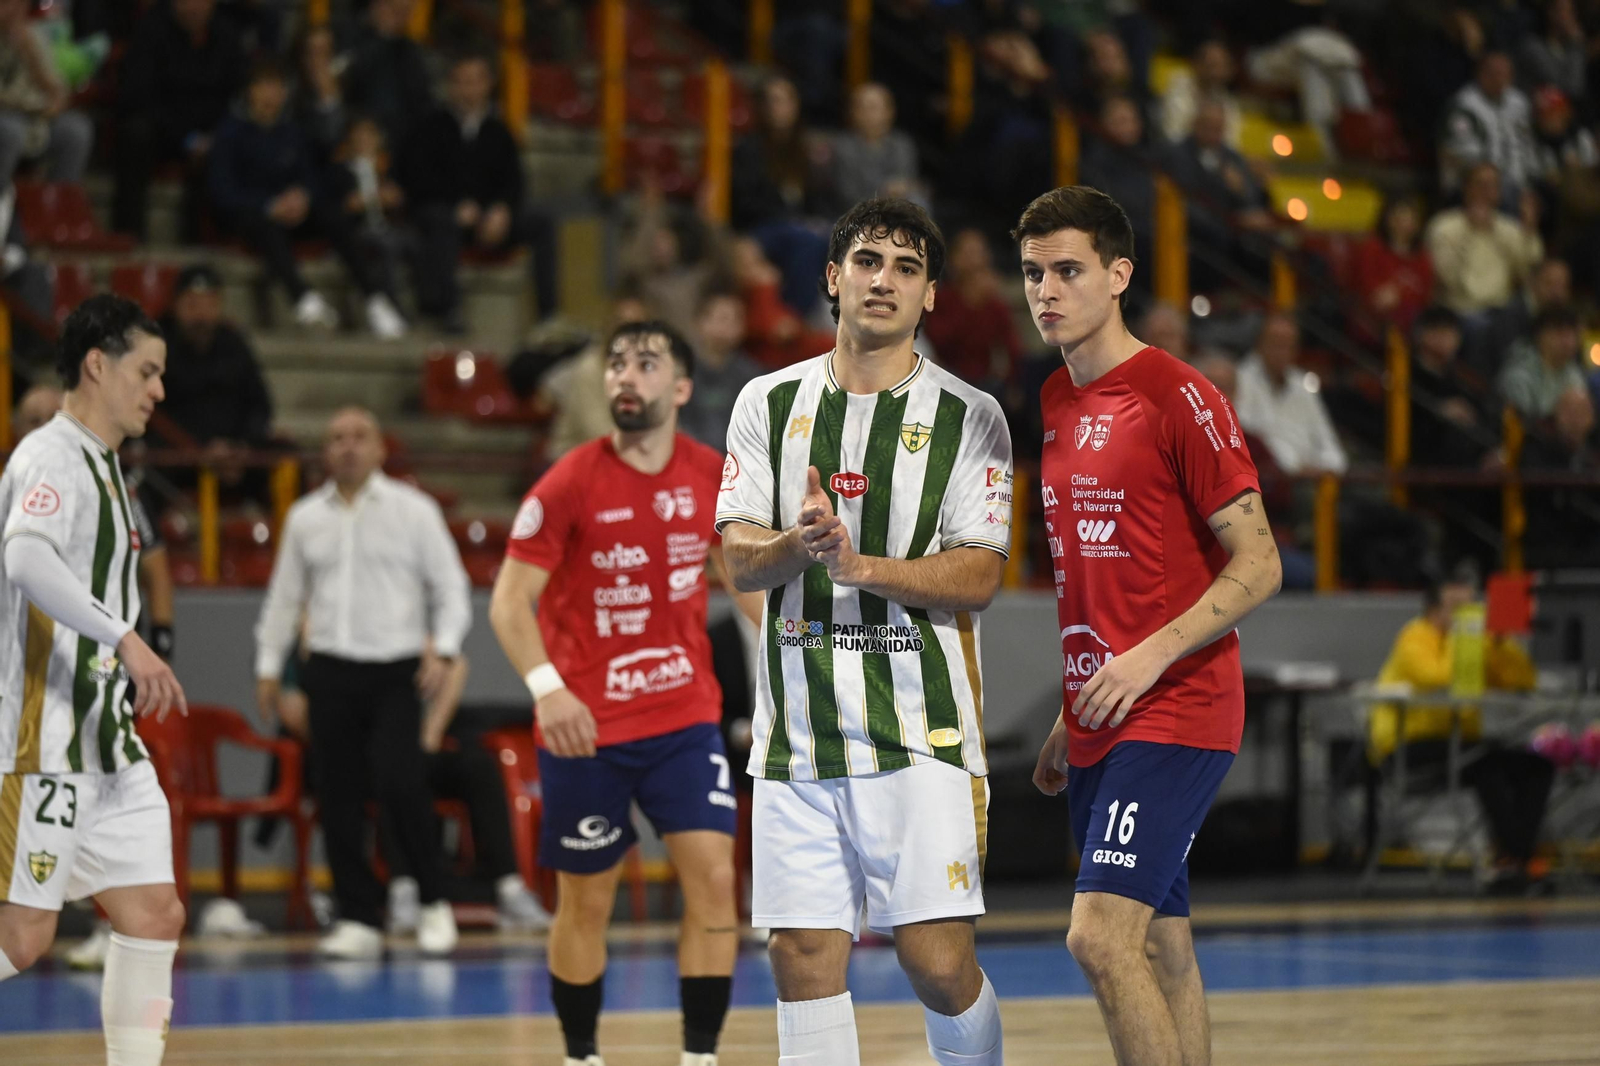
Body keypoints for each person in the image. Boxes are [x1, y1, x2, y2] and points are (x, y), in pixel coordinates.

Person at [717, 197, 1012, 1066]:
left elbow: (981, 575)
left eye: (907, 267)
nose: (883, 279)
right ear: (832, 279)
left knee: (935, 958)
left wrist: (858, 566)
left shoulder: (972, 416)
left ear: (928, 299)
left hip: (923, 733)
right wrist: (794, 546)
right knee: (800, 955)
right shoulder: (766, 402)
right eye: (868, 261)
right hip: (796, 737)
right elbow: (738, 561)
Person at [1016, 184, 1281, 1066]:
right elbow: (1103, 583)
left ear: (1119, 273)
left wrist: (1143, 662)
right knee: (1164, 946)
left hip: (1178, 707)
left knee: (1097, 937)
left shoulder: (1178, 394)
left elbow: (1261, 562)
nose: (1045, 290)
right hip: (1105, 714)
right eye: (1031, 273)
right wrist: (1075, 707)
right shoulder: (1055, 399)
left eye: (1066, 270)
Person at [490, 320, 762, 1066]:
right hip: (587, 729)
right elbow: (509, 603)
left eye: (645, 364)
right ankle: (582, 1055)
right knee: (586, 900)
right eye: (615, 364)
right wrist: (549, 691)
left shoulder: (713, 473)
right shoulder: (569, 480)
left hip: (683, 719)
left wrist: (789, 661)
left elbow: (742, 580)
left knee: (714, 879)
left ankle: (699, 1057)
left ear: (679, 388)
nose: (624, 377)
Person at [0, 295, 188, 1066]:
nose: (159, 390)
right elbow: (25, 558)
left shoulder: (108, 465)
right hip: (44, 741)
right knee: (25, 938)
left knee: (154, 913)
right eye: (147, 371)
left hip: (107, 740)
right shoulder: (51, 456)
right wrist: (128, 640)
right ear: (96, 364)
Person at [254, 407, 471, 959]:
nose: (347, 446)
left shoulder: (413, 512)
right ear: (325, 452)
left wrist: (444, 648)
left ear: (380, 448)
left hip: (395, 670)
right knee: (338, 797)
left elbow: (451, 587)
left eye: (358, 437)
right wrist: (268, 668)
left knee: (403, 783)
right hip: (328, 670)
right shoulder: (304, 518)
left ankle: (432, 902)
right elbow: (283, 599)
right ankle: (357, 916)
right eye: (336, 438)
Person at [1369, 570, 1554, 893]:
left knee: (1536, 765)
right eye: (1458, 608)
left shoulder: (1476, 641)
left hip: (1460, 745)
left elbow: (1523, 680)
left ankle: (1514, 859)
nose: (1468, 615)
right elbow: (1440, 677)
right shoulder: (1414, 637)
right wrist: (1467, 635)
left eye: (1472, 607)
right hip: (1406, 746)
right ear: (1434, 609)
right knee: (1487, 765)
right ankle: (1516, 859)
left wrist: (1498, 641)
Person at [209, 58, 407, 339]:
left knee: (333, 215)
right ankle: (302, 299)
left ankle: (375, 299)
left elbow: (312, 176)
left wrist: (303, 196)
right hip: (252, 216)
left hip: (294, 211)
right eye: (264, 86)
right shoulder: (230, 133)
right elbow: (223, 191)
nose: (271, 94)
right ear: (250, 91)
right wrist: (269, 205)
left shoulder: (293, 131)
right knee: (265, 227)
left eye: (277, 86)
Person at [401, 51, 558, 331]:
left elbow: (514, 181)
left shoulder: (499, 131)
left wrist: (501, 210)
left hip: (489, 221)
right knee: (439, 220)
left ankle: (548, 317)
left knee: (542, 223)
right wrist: (456, 205)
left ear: (487, 84)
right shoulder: (430, 126)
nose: (468, 89)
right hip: (447, 217)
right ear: (450, 85)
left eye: (475, 81)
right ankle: (447, 309)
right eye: (461, 81)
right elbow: (418, 179)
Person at [112, 0, 245, 240]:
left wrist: (213, 136)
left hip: (208, 133)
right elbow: (138, 96)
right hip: (162, 131)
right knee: (135, 133)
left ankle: (203, 241)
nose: (194, 7)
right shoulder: (151, 29)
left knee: (229, 143)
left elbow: (235, 96)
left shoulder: (226, 34)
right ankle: (128, 235)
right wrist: (187, 138)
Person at [150, 264, 275, 485]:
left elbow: (260, 404)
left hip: (235, 458)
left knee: (285, 457)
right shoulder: (156, 343)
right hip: (177, 457)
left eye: (209, 305)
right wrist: (197, 451)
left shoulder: (234, 342)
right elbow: (150, 411)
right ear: (176, 305)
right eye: (192, 305)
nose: (201, 315)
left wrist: (241, 447)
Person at [1424, 163, 1544, 324]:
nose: (1486, 191)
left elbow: (1527, 272)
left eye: (1493, 185)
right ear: (1466, 188)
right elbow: (1446, 279)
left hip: (1502, 309)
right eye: (1480, 184)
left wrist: (1528, 231)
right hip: (1459, 310)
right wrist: (1469, 233)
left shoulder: (1510, 228)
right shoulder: (1443, 226)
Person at [1234, 312, 1349, 475]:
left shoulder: (1303, 384)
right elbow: (1248, 440)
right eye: (1276, 343)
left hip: (1311, 480)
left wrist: (1324, 467)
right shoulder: (1240, 379)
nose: (1282, 351)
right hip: (1266, 481)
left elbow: (1330, 445)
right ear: (1260, 344)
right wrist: (1294, 468)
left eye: (1288, 345)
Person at [0, 0, 93, 189]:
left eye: (21, 4)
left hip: (35, 118)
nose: (14, 10)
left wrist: (30, 54)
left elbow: (58, 92)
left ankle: (56, 208)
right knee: (11, 131)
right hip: (8, 117)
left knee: (76, 131)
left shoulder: (34, 36)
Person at [922, 227, 1025, 391]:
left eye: (979, 253)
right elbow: (939, 341)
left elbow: (1011, 345)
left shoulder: (993, 301)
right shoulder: (940, 298)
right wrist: (971, 304)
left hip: (988, 382)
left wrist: (1013, 384)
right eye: (968, 253)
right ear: (953, 260)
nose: (974, 261)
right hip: (947, 378)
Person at [1439, 49, 1536, 197]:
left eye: (1505, 74)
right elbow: (1467, 158)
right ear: (1481, 74)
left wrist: (1529, 183)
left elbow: (1526, 145)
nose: (1500, 79)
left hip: (1516, 185)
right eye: (1494, 73)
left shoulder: (1519, 103)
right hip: (1470, 188)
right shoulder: (1464, 105)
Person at [824, 82, 924, 215]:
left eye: (873, 107)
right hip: (856, 216)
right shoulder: (842, 146)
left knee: (918, 201)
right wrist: (884, 192)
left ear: (890, 111)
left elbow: (905, 182)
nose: (867, 114)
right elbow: (847, 195)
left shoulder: (902, 143)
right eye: (861, 107)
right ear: (852, 112)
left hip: (899, 211)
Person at [341, 0, 432, 148]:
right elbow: (348, 79)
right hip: (354, 133)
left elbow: (421, 99)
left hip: (397, 140)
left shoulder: (409, 50)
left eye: (406, 12)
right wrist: (382, 37)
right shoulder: (348, 34)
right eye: (396, 10)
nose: (401, 18)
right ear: (377, 4)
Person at [679, 290, 761, 449]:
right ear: (699, 322)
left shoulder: (752, 375)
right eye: (722, 318)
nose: (728, 327)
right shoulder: (681, 373)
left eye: (735, 320)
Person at [1351, 196, 1434, 344]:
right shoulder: (1372, 248)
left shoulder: (1422, 256)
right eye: (1397, 216)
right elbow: (1367, 287)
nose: (1402, 223)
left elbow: (1424, 293)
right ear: (1387, 219)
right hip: (1374, 318)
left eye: (1408, 218)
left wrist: (1400, 295)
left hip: (1412, 318)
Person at [1499, 305, 1586, 424]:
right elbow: (1521, 422)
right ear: (1541, 335)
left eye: (1573, 334)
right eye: (1561, 333)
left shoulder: (1572, 371)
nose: (1569, 342)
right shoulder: (1519, 374)